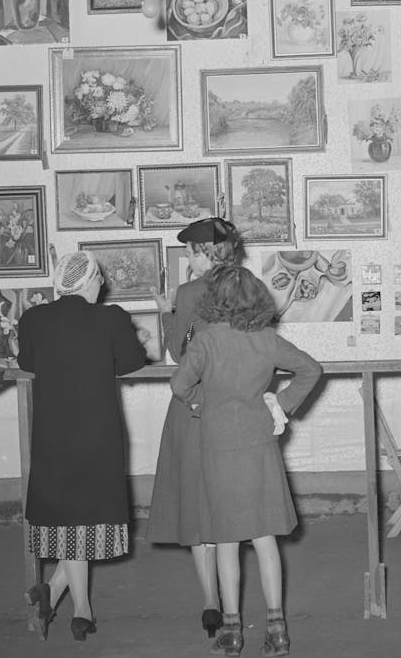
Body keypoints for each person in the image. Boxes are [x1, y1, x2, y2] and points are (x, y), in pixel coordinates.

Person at [170, 266, 323, 657]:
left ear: (214, 301)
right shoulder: (267, 339)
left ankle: (233, 632)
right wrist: (281, 403)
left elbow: (179, 385)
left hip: (217, 444)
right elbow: (311, 369)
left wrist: (202, 402)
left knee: (226, 541)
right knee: (265, 538)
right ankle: (277, 631)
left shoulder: (205, 341)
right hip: (259, 443)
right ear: (257, 299)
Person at [17, 251, 146, 642]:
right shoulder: (111, 318)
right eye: (99, 281)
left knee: (70, 518)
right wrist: (136, 341)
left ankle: (52, 591)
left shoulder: (33, 319)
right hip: (97, 433)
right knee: (84, 517)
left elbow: (26, 362)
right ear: (89, 282)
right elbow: (132, 362)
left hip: (53, 432)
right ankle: (81, 610)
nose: (101, 287)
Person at [146, 216, 244, 638]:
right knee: (226, 503)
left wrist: (166, 313)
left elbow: (177, 353)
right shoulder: (245, 287)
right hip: (235, 404)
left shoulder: (188, 293)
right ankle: (233, 601)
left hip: (193, 406)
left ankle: (210, 601)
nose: (187, 259)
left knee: (196, 502)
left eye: (189, 252)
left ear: (204, 252)